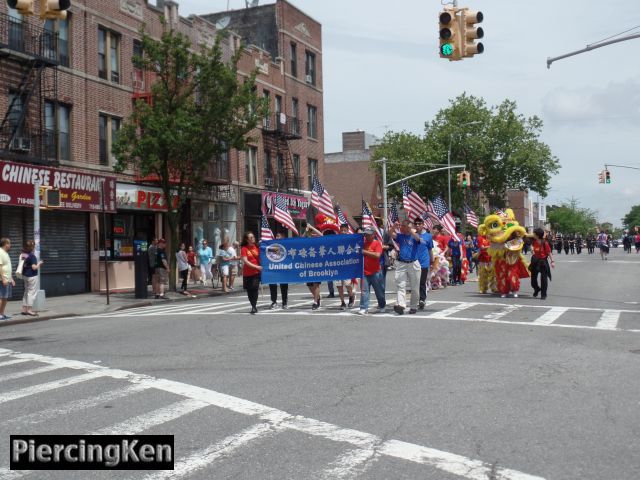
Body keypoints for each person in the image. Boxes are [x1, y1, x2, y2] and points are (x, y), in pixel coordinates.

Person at [389, 219, 425, 315]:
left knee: (414, 287)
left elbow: (418, 239)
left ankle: (413, 306)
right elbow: (390, 234)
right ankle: (401, 305)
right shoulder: (400, 236)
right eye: (402, 226)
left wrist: (411, 231)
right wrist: (394, 227)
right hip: (401, 264)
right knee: (401, 285)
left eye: (405, 226)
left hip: (413, 263)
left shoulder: (415, 236)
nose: (402, 228)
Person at [357, 227, 386, 314]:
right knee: (364, 291)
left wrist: (364, 252)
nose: (367, 236)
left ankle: (382, 305)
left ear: (373, 235)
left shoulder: (377, 244)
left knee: (379, 291)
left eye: (369, 234)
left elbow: (377, 255)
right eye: (366, 234)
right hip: (364, 272)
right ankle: (363, 307)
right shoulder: (363, 243)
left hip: (375, 272)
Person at [414, 218, 434, 310]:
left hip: (424, 262)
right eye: (416, 224)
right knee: (415, 282)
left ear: (423, 225)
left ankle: (422, 300)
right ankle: (416, 299)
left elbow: (430, 249)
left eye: (419, 223)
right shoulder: (412, 235)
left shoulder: (428, 236)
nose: (417, 225)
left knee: (422, 282)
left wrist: (432, 261)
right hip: (413, 262)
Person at [20, 240, 44, 316]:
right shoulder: (32, 256)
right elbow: (34, 267)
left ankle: (24, 309)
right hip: (32, 276)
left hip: (25, 275)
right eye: (34, 246)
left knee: (26, 292)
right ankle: (29, 310)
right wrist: (39, 264)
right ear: (32, 247)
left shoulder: (24, 255)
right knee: (31, 293)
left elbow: (23, 264)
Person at [530, 228, 555, 300]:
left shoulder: (545, 243)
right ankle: (537, 289)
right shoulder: (534, 241)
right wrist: (532, 249)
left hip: (543, 262)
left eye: (534, 233)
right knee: (533, 280)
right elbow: (532, 248)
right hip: (535, 261)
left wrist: (552, 261)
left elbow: (549, 253)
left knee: (543, 279)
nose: (533, 234)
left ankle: (543, 294)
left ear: (537, 235)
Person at [241, 231, 262, 314]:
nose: (253, 238)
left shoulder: (257, 247)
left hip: (256, 273)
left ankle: (254, 306)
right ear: (247, 240)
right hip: (247, 273)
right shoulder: (244, 249)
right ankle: (253, 305)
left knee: (255, 288)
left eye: (253, 237)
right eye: (251, 237)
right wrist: (256, 266)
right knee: (249, 290)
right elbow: (245, 261)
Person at [336, 224, 356, 310]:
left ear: (348, 231)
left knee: (348, 284)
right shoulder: (336, 240)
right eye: (342, 230)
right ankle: (342, 302)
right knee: (339, 285)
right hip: (337, 266)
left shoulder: (351, 240)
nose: (343, 232)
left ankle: (351, 296)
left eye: (345, 230)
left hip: (347, 265)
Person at [268, 232, 289, 309]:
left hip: (283, 268)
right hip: (274, 268)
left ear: (283, 237)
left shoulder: (286, 246)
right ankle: (274, 302)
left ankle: (284, 303)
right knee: (272, 285)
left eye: (278, 236)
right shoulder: (271, 246)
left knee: (284, 286)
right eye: (276, 236)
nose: (277, 237)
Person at [0, 238, 16, 320]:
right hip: (3, 279)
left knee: (5, 298)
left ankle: (2, 314)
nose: (10, 245)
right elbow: (0, 267)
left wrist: (11, 278)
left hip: (8, 279)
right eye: (9, 243)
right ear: (5, 244)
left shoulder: (5, 253)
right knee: (2, 297)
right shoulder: (0, 252)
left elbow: (7, 267)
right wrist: (3, 279)